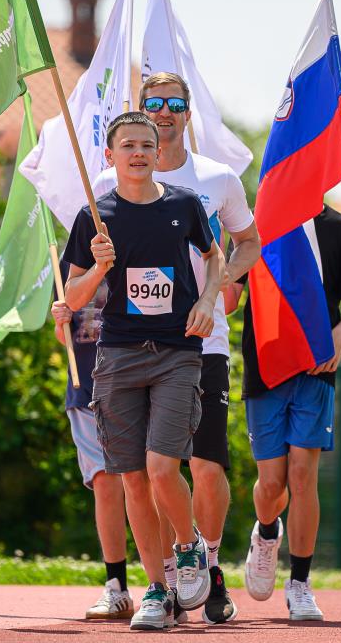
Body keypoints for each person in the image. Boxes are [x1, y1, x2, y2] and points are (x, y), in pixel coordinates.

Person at [90, 72, 261, 624]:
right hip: (131, 343)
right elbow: (87, 259)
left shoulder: (216, 179)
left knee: (204, 465)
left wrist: (216, 290)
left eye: (174, 104)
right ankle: (163, 583)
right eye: (154, 103)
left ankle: (206, 567)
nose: (164, 112)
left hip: (201, 342)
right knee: (146, 470)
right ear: (139, 112)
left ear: (188, 113)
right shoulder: (108, 183)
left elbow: (247, 242)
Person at [58, 110, 225, 631]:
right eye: (127, 145)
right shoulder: (95, 217)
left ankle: (189, 545)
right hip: (118, 355)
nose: (137, 153)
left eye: (146, 145)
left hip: (176, 351)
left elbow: (216, 257)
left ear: (158, 153)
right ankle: (156, 589)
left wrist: (207, 300)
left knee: (160, 467)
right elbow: (72, 297)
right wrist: (100, 267)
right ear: (110, 156)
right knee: (131, 477)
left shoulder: (183, 204)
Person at [227, 204, 341, 621]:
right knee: (272, 483)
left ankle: (300, 584)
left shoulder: (337, 227)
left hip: (316, 366)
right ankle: (267, 530)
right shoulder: (256, 222)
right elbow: (231, 295)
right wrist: (219, 251)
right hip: (266, 366)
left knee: (303, 474)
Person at [49, 283, 135, 620]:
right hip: (84, 388)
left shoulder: (135, 250)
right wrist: (60, 321)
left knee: (148, 482)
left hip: (134, 384)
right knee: (104, 481)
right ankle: (117, 586)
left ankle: (169, 582)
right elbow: (67, 335)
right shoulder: (69, 264)